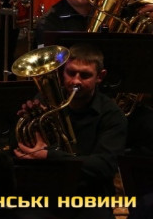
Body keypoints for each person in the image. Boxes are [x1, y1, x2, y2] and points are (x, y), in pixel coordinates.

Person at [14, 44, 127, 204]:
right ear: (62, 72)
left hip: (89, 196)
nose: (76, 81)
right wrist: (30, 122)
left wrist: (49, 156)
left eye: (85, 75)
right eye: (71, 73)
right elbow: (22, 147)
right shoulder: (45, 100)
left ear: (100, 76)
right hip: (45, 191)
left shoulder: (112, 115)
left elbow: (105, 166)